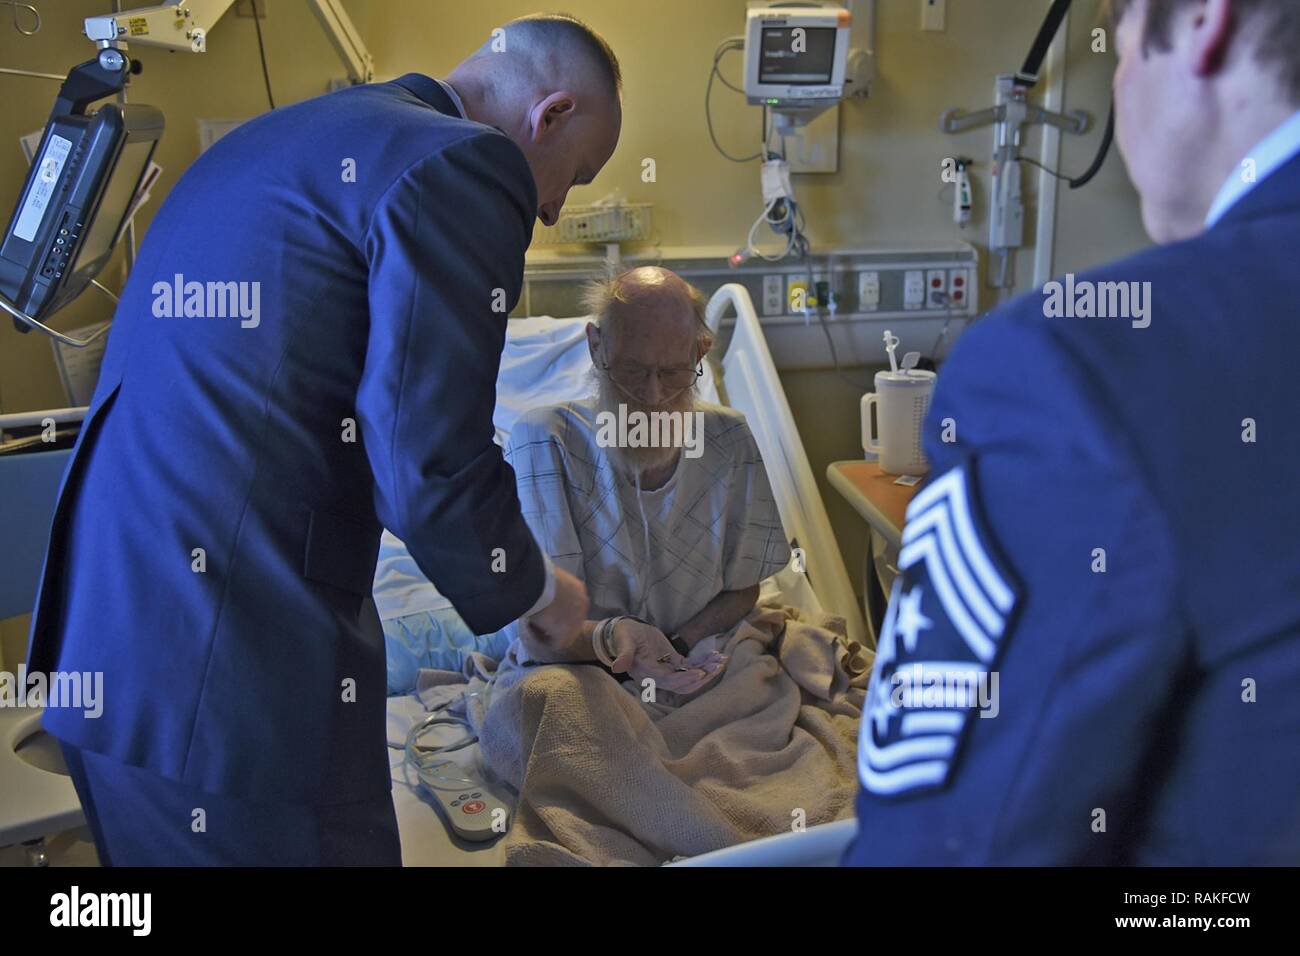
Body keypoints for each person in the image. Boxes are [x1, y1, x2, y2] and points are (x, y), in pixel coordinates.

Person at [25, 14, 622, 866]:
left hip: (111, 649)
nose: (557, 208)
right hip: (233, 675)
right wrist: (538, 592)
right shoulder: (464, 162)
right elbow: (429, 462)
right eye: (579, 176)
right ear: (551, 113)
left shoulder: (283, 138)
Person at [845, 0, 1300, 865]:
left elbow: (950, 851)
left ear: (1205, 20)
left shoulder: (1072, 371)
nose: (1119, 82)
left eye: (1119, 43)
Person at [504, 266, 790, 690]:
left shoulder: (728, 438)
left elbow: (743, 590)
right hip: (585, 667)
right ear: (596, 346)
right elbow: (539, 631)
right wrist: (613, 642)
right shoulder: (544, 441)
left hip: (696, 653)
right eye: (634, 371)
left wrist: (672, 649)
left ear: (699, 354)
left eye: (673, 372)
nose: (653, 397)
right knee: (546, 711)